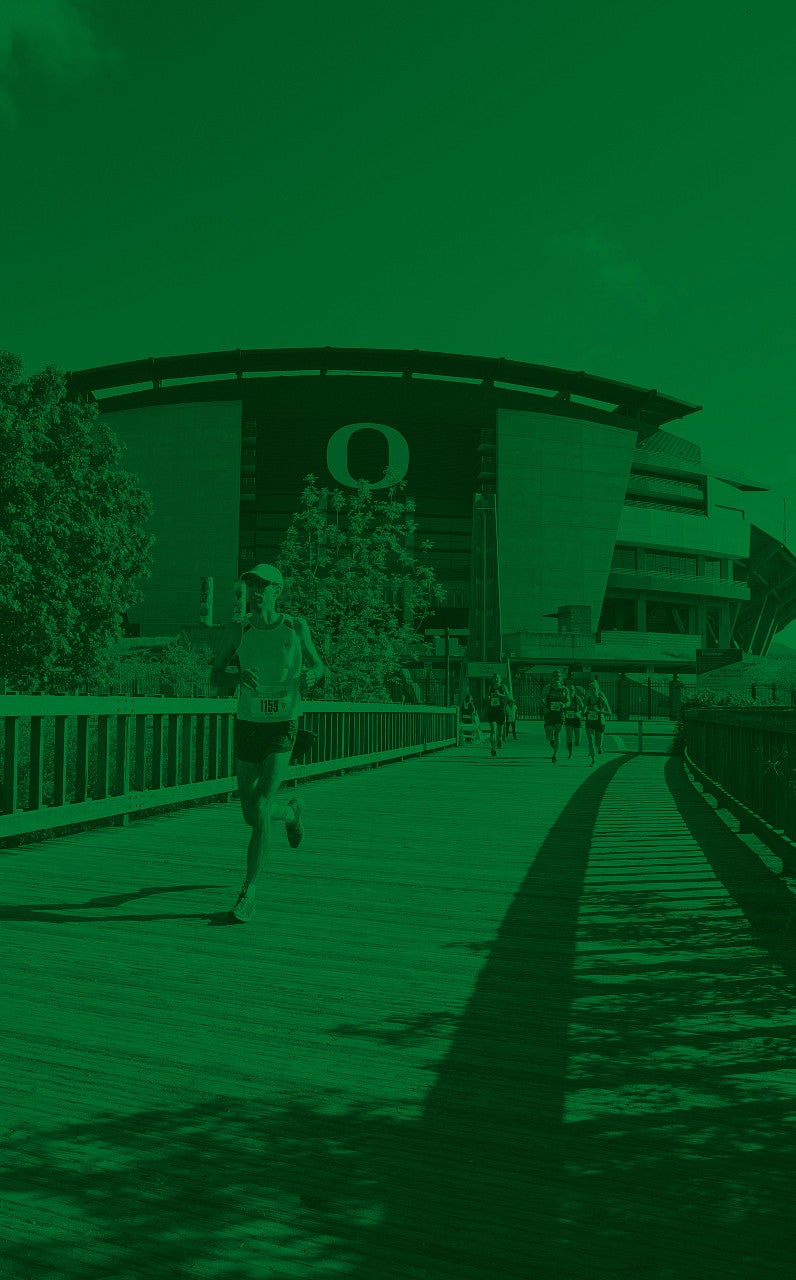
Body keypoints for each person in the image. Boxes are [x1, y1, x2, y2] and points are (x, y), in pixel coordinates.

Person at [210, 564, 325, 923]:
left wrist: (312, 675)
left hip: (282, 726)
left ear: (278, 589)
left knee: (260, 804)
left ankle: (249, 893)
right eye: (251, 584)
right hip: (248, 725)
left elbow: (320, 665)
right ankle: (291, 813)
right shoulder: (237, 629)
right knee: (251, 814)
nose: (255, 590)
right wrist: (236, 676)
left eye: (262, 585)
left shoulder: (295, 626)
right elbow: (214, 676)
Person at [541, 669, 571, 763]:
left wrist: (564, 705)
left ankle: (555, 755)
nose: (556, 677)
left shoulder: (565, 689)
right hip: (549, 712)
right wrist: (544, 707)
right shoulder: (547, 687)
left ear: (561, 678)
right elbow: (542, 698)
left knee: (557, 733)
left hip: (559, 713)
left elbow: (568, 701)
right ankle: (551, 740)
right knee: (548, 734)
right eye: (554, 676)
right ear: (552, 677)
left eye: (558, 676)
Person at [583, 678, 612, 766]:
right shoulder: (587, 699)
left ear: (597, 689)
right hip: (590, 723)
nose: (592, 691)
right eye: (591, 689)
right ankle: (593, 760)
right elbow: (583, 710)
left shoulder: (601, 699)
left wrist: (600, 712)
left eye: (594, 689)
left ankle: (599, 748)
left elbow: (609, 713)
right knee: (591, 741)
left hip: (600, 722)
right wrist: (585, 712)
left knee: (598, 743)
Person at [484, 673, 510, 757]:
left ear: (500, 679)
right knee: (493, 730)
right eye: (494, 678)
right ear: (492, 679)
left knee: (500, 732)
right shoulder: (490, 687)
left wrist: (500, 695)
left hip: (500, 711)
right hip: (492, 711)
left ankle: (499, 740)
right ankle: (493, 748)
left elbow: (508, 697)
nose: (496, 679)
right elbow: (487, 696)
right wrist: (487, 697)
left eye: (497, 678)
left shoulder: (503, 687)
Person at [563, 681, 583, 760]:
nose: (571, 691)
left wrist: (579, 712)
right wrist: (564, 715)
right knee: (569, 737)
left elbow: (583, 708)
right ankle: (570, 753)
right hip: (568, 720)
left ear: (574, 691)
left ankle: (573, 743)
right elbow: (563, 708)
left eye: (572, 690)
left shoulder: (577, 698)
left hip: (577, 720)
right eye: (569, 689)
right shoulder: (565, 698)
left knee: (578, 741)